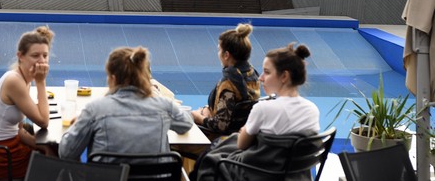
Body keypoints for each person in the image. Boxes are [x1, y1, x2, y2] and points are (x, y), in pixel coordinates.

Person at [194, 43, 319, 181]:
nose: (260, 78)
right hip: (294, 176)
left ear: (284, 76)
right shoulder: (312, 110)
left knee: (212, 158)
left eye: (267, 72)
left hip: (257, 174)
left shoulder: (264, 109)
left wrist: (245, 131)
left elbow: (242, 144)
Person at [58, 46, 193, 160]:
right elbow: (186, 124)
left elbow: (66, 153)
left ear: (113, 78)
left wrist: (77, 124)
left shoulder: (95, 110)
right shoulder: (164, 106)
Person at [0, 26, 54, 179]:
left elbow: (19, 130)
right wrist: (41, 82)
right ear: (21, 56)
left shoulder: (24, 78)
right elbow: (43, 121)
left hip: (7, 144)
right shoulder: (14, 81)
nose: (42, 61)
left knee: (54, 153)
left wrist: (41, 146)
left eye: (45, 55)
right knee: (59, 164)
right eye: (35, 55)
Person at [190, 24, 260, 139]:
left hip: (221, 140)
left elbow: (221, 125)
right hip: (242, 136)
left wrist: (198, 117)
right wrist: (208, 110)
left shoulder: (229, 84)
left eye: (219, 49)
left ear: (226, 55)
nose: (218, 53)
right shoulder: (253, 75)